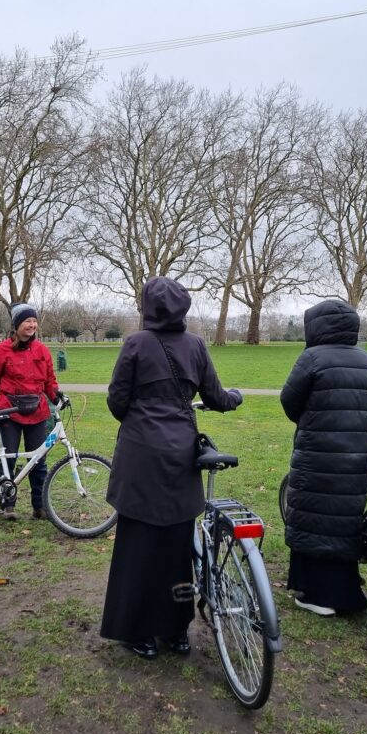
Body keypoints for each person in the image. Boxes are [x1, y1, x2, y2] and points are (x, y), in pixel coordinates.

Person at [100, 276, 243, 660]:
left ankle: (138, 631)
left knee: (138, 547)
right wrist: (235, 398)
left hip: (141, 454)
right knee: (177, 547)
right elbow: (215, 396)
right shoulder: (196, 345)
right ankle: (176, 631)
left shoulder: (135, 344)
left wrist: (140, 418)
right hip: (180, 453)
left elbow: (117, 400)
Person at [280, 299, 367, 617]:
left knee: (314, 514)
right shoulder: (366, 359)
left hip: (317, 453)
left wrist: (307, 418)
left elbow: (289, 400)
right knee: (343, 518)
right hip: (355, 455)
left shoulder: (311, 358)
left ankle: (319, 594)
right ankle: (345, 587)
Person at [0, 301, 60, 520]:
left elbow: (50, 380)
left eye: (34, 321)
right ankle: (8, 506)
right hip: (9, 412)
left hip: (38, 412)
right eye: (27, 321)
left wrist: (57, 396)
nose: (32, 325)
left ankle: (40, 507)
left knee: (38, 462)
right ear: (16, 325)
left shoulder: (42, 350)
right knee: (8, 460)